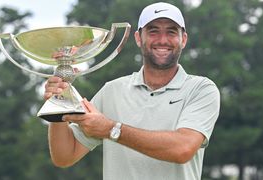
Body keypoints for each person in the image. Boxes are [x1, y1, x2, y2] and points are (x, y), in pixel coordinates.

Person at [44, 2, 220, 180]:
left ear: (183, 39)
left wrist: (112, 129)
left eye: (171, 32)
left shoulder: (201, 89)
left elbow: (182, 149)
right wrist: (59, 101)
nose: (162, 40)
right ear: (138, 38)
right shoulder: (112, 91)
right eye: (153, 31)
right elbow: (64, 156)